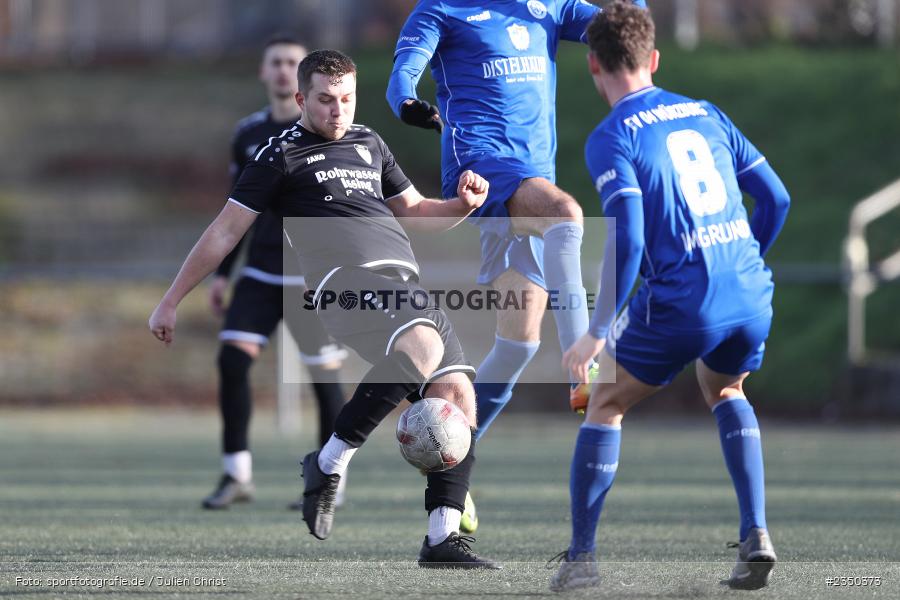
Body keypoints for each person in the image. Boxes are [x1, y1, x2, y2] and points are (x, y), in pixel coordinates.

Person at [149, 49, 499, 568]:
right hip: (343, 284)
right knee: (423, 346)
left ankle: (441, 537)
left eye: (348, 99)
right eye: (326, 100)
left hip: (403, 286)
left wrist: (462, 206)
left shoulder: (370, 143)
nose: (339, 111)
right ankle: (329, 462)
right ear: (301, 99)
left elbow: (417, 214)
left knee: (456, 396)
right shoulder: (279, 155)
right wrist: (171, 299)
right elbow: (224, 230)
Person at [551, 3, 790, 591]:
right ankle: (755, 532)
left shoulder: (610, 138)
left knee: (602, 401)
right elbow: (776, 199)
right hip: (750, 293)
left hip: (682, 302)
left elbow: (628, 234)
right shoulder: (706, 112)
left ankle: (581, 560)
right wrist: (741, 259)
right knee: (726, 387)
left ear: (593, 66)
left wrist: (598, 329)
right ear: (654, 58)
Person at [386, 0, 648, 456]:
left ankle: (451, 465)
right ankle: (584, 373)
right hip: (481, 169)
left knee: (517, 346)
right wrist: (406, 101)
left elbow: (627, 33)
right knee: (566, 214)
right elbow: (404, 70)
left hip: (533, 179)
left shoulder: (550, 5)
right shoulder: (444, 9)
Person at [202, 36, 350, 511]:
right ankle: (236, 474)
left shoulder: (335, 136)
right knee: (231, 361)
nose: (285, 70)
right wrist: (223, 274)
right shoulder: (248, 135)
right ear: (264, 73)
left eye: (292, 62)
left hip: (314, 280)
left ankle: (330, 482)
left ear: (305, 78)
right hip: (262, 273)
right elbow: (234, 210)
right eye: (277, 63)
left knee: (325, 381)